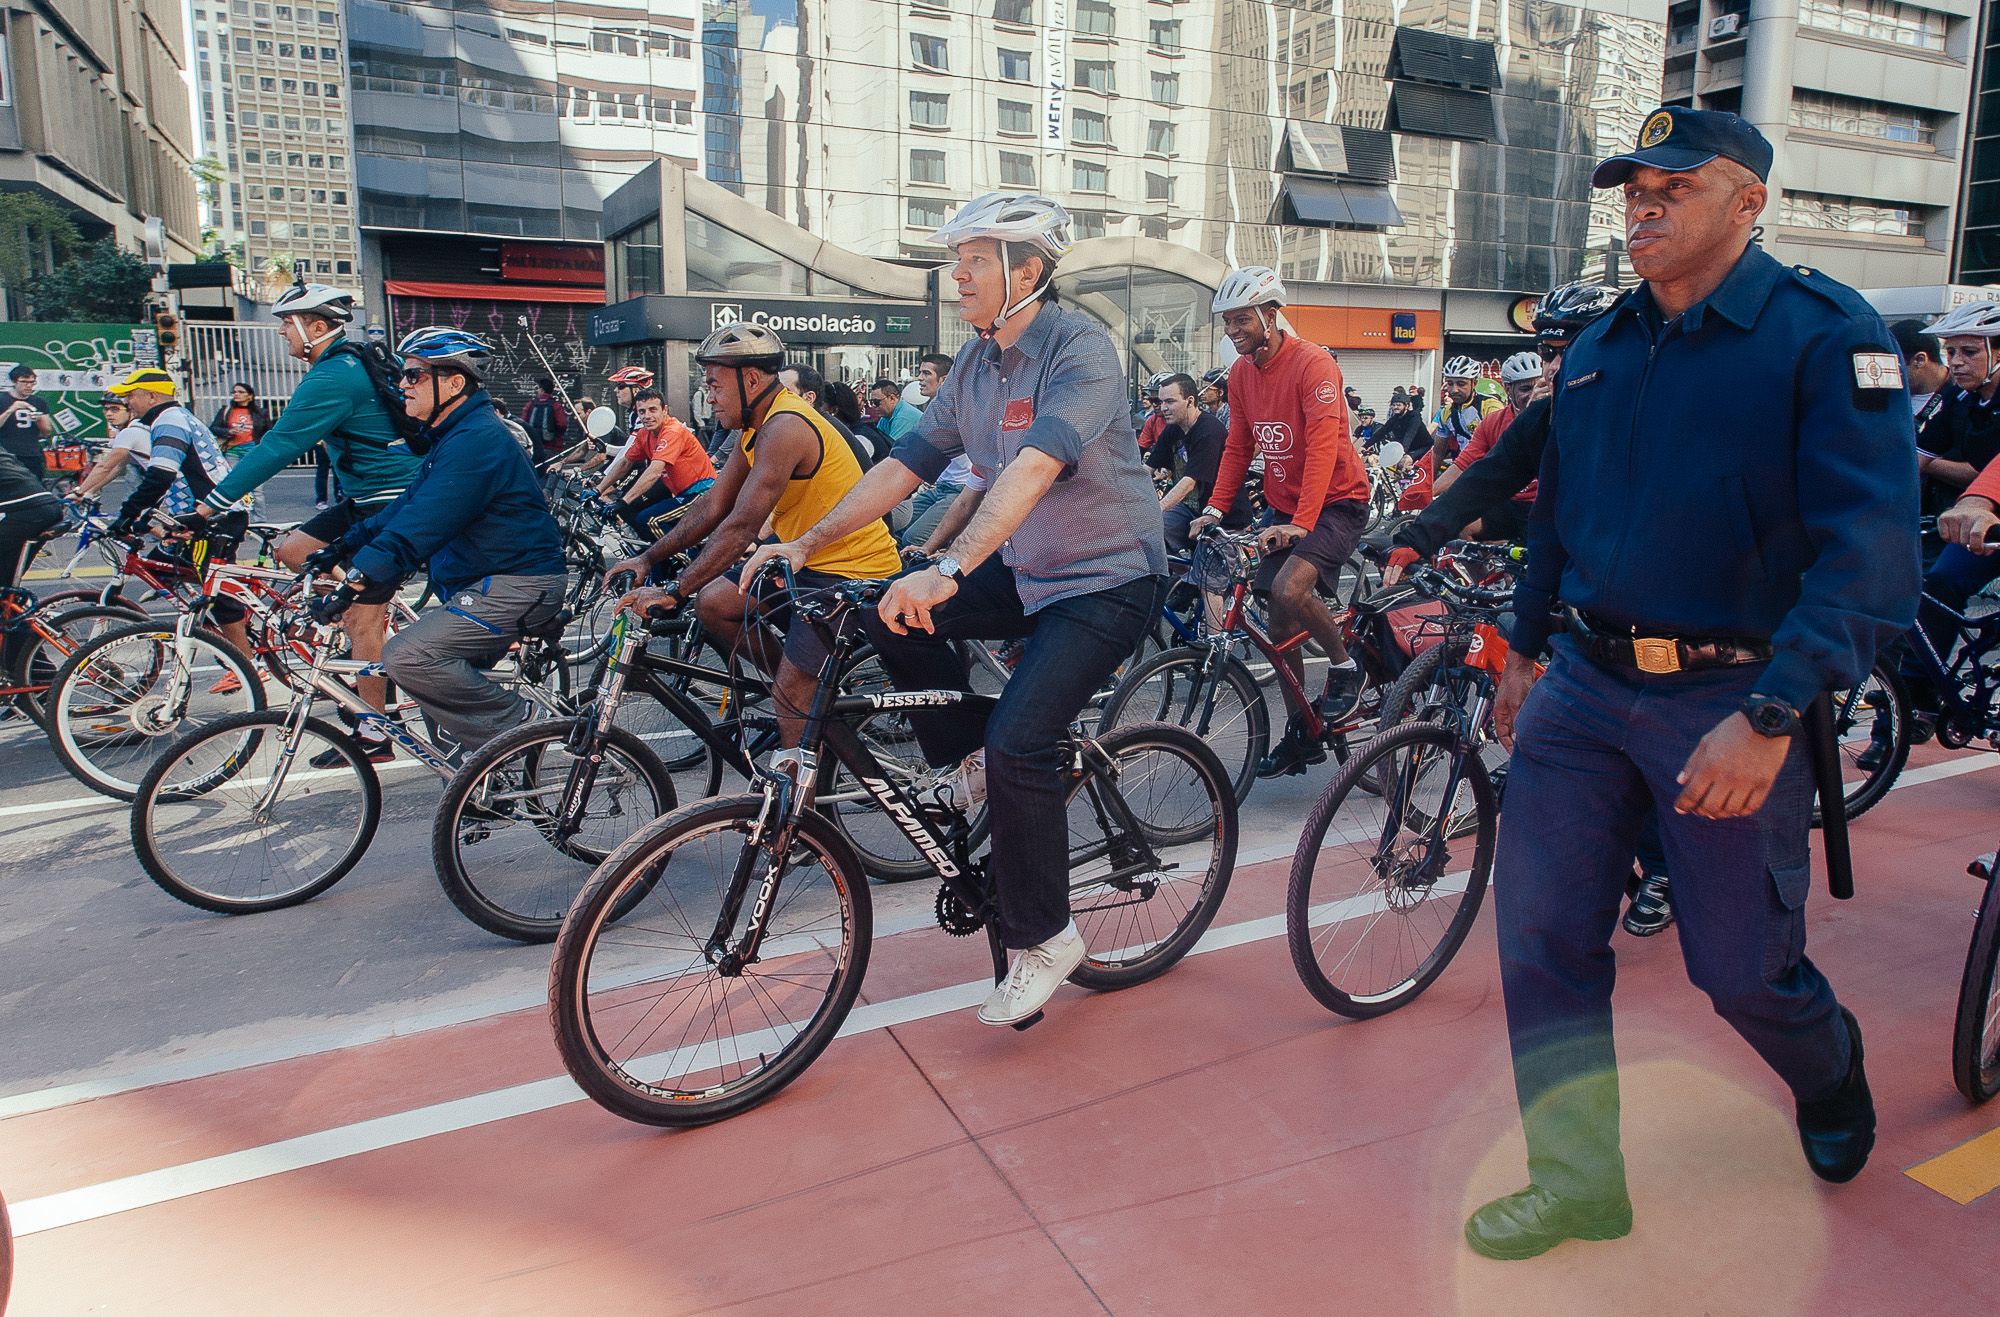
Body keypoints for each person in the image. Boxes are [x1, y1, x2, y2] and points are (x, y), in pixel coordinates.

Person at [1465, 106, 1917, 1261]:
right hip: (1579, 687)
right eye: (1632, 192)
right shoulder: (1603, 345)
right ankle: (1576, 1185)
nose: (1642, 210)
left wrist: (1774, 713)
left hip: (1725, 698)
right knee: (1539, 941)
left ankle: (1827, 1071)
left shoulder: (1824, 335)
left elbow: (1869, 550)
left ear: (1747, 202)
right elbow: (1556, 512)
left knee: (1736, 967)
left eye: (1672, 188)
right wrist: (1522, 649)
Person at [743, 191, 1166, 1028]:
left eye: (975, 260)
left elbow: (1036, 465)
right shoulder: (973, 367)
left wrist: (949, 565)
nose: (958, 273)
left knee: (1021, 739)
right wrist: (806, 544)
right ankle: (965, 762)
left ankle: (1047, 937)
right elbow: (904, 465)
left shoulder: (1080, 348)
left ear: (1028, 272)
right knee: (870, 609)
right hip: (1025, 568)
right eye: (957, 258)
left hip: (1107, 577)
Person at [606, 322, 902, 747]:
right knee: (715, 603)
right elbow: (714, 504)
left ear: (750, 379)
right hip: (804, 562)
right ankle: (805, 699)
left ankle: (804, 793)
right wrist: (648, 559)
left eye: (714, 385)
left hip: (849, 571)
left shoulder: (785, 425)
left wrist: (675, 589)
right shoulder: (755, 427)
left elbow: (742, 525)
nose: (709, 397)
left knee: (791, 691)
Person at [308, 329, 566, 757]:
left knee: (407, 656)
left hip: (519, 584)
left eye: (413, 375)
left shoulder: (478, 442)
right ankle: (484, 787)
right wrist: (339, 547)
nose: (401, 385)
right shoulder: (454, 437)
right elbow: (405, 508)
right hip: (487, 582)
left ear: (454, 383)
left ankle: (525, 726)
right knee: (433, 685)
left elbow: (421, 527)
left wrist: (354, 581)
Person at [188, 282, 422, 732]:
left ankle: (375, 728)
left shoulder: (333, 377)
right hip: (362, 498)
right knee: (292, 550)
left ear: (316, 327)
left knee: (359, 618)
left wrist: (206, 507)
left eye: (286, 324)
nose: (281, 333)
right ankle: (367, 613)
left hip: (389, 502)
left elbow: (276, 447)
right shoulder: (348, 362)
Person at [1191, 265, 1372, 778]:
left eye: (1241, 319)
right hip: (1285, 504)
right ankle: (1302, 730)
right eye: (1227, 322)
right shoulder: (1243, 375)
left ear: (1271, 314)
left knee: (1291, 590)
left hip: (1337, 501)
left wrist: (1302, 522)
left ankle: (1345, 666)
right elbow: (1238, 445)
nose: (1233, 331)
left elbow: (1320, 447)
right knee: (1275, 620)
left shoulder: (1313, 364)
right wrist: (1214, 508)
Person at [98, 369, 256, 672]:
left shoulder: (169, 421)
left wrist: (127, 515)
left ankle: (247, 666)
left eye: (131, 395)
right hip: (199, 516)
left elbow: (160, 475)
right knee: (164, 570)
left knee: (219, 596)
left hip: (214, 517)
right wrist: (144, 518)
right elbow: (172, 479)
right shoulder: (171, 419)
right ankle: (219, 627)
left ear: (152, 396)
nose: (127, 401)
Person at [1432, 350, 1543, 542]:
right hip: (1507, 500)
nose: (1534, 395)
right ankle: (1491, 570)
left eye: (1540, 387)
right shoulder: (1491, 421)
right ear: (1509, 390)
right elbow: (1461, 462)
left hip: (1542, 506)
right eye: (1525, 389)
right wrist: (1430, 492)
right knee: (1463, 527)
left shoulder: (1489, 406)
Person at [594, 388, 717, 545]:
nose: (647, 416)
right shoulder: (644, 434)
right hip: (680, 493)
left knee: (650, 520)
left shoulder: (672, 431)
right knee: (633, 512)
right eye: (642, 411)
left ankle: (683, 558)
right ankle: (657, 562)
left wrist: (623, 501)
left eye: (653, 410)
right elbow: (625, 462)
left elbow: (654, 471)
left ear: (664, 410)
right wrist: (598, 489)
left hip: (701, 493)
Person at [1147, 372, 1252, 552]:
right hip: (1189, 509)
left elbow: (1189, 482)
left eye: (1170, 401)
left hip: (1224, 518)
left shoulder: (1209, 430)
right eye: (1160, 401)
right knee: (1149, 533)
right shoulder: (1173, 428)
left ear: (1189, 401)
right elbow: (1147, 469)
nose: (1163, 408)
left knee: (1209, 576)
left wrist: (1155, 510)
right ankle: (1178, 576)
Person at [1432, 356, 1498, 466]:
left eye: (1461, 384)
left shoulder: (1490, 407)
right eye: (1450, 383)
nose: (1454, 390)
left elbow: (1502, 447)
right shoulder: (1446, 412)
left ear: (1474, 383)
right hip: (1463, 469)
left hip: (1490, 469)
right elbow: (1437, 453)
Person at [0, 364, 54, 487]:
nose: (29, 386)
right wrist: (10, 410)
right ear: (14, 382)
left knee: (34, 487)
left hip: (31, 453)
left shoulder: (39, 402)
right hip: (6, 454)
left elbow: (47, 431)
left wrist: (39, 419)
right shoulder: (2, 399)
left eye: (32, 382)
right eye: (24, 382)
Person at [209, 383, 272, 454]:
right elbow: (213, 428)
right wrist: (229, 431)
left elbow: (268, 431)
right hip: (232, 448)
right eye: (234, 392)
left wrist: (258, 444)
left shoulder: (261, 412)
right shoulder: (226, 410)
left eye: (241, 392)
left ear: (250, 396)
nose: (236, 394)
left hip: (252, 448)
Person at [518, 376, 568, 463]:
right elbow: (562, 424)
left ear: (541, 389)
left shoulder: (530, 405)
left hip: (533, 448)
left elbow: (522, 423)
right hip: (552, 447)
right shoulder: (556, 405)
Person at [1136, 372, 1171, 450]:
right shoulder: (1152, 421)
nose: (1154, 405)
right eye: (1151, 400)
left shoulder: (1185, 422)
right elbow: (1140, 449)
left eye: (1158, 400)